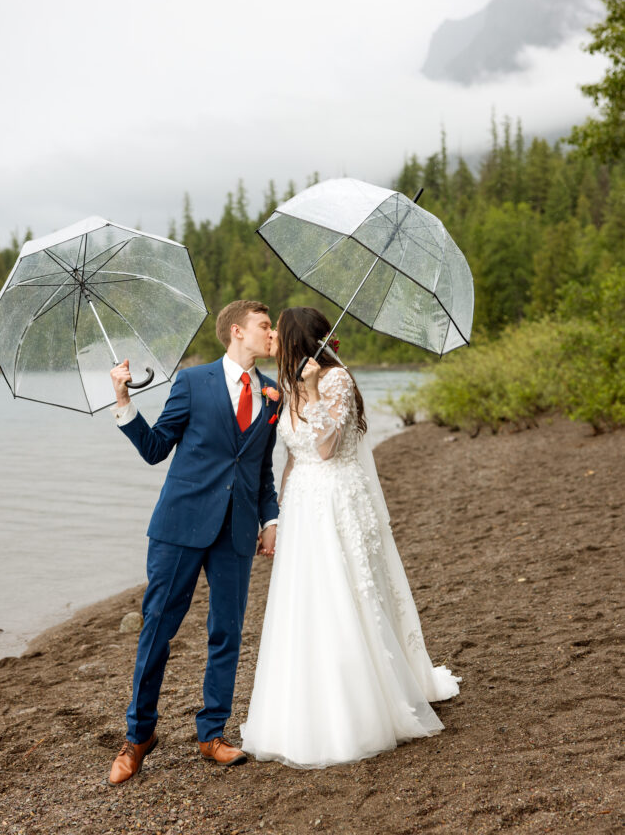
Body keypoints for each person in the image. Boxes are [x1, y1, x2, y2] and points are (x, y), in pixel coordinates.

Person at [240, 307, 460, 769]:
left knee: (346, 592)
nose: (274, 337)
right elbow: (295, 458)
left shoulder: (335, 382)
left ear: (298, 338)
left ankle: (360, 705)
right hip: (302, 504)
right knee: (305, 601)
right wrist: (275, 517)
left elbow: (325, 447)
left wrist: (314, 388)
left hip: (337, 498)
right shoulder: (286, 387)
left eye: (280, 331)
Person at [107, 300, 280, 783]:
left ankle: (212, 734)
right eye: (264, 326)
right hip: (179, 528)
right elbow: (155, 448)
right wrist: (124, 401)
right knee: (157, 631)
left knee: (227, 632)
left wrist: (270, 520)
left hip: (237, 531)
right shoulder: (192, 382)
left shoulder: (272, 392)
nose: (271, 333)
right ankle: (138, 737)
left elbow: (261, 468)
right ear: (236, 332)